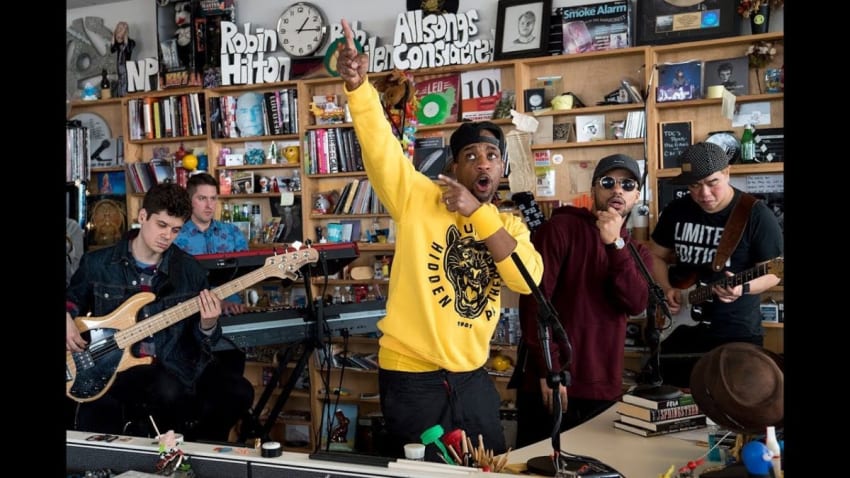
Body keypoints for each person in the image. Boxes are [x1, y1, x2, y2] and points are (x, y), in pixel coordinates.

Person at [336, 19, 543, 461]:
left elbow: (526, 281)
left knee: (491, 465)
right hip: (411, 377)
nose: (482, 163)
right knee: (422, 472)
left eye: (492, 156)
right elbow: (381, 150)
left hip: (472, 375)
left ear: (502, 170)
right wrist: (358, 89)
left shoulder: (510, 225)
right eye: (471, 156)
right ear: (454, 166)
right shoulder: (418, 197)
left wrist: (480, 216)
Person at [66, 183, 254, 442]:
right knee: (163, 391)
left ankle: (198, 453)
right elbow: (72, 300)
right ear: (142, 217)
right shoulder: (98, 263)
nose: (167, 236)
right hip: (114, 364)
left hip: (171, 362)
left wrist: (208, 325)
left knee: (239, 391)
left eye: (175, 229)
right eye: (162, 225)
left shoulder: (189, 271)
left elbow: (206, 342)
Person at [510, 154, 653, 448]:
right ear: (594, 190)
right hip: (553, 383)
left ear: (637, 195)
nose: (617, 190)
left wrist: (615, 245)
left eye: (627, 184)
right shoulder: (560, 229)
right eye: (608, 182)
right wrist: (548, 367)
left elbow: (636, 303)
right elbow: (535, 301)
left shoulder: (637, 250)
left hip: (602, 384)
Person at [648, 142, 783, 387]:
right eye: (694, 186)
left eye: (712, 183)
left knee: (733, 407)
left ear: (728, 173)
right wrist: (667, 287)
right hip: (682, 330)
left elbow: (775, 271)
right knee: (678, 403)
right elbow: (654, 255)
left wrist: (743, 288)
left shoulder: (756, 214)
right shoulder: (677, 210)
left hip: (735, 331)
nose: (704, 194)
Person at [174, 172, 250, 314]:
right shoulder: (175, 236)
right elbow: (175, 285)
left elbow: (245, 276)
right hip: (191, 316)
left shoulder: (233, 233)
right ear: (189, 200)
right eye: (202, 198)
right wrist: (218, 303)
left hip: (234, 312)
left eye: (213, 198)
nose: (209, 205)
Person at [111, 21, 135, 98]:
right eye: (119, 30)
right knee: (120, 82)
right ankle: (120, 96)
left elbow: (128, 49)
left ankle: (124, 96)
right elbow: (112, 49)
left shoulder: (131, 42)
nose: (120, 32)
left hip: (126, 67)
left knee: (126, 82)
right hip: (119, 67)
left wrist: (125, 38)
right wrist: (113, 37)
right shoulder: (117, 45)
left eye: (121, 30)